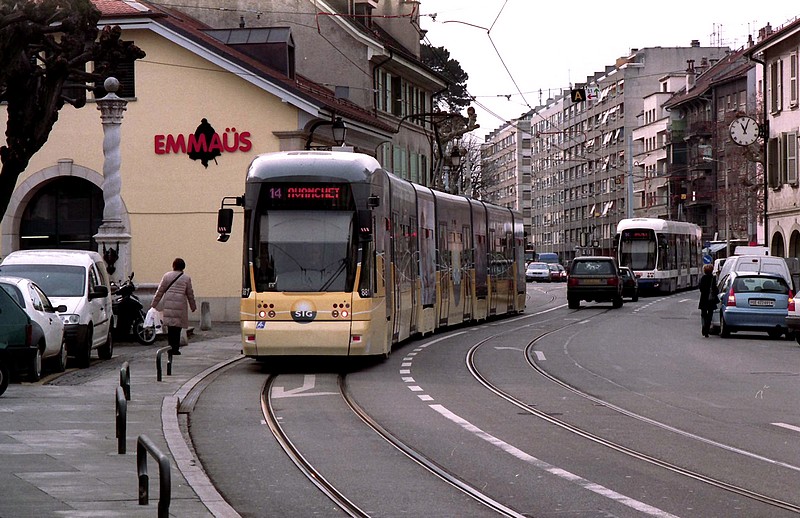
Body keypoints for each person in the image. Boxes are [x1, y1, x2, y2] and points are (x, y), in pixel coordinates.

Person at [152, 257, 197, 355]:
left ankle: (170, 347)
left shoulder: (166, 276)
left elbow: (160, 291)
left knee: (170, 328)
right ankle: (175, 348)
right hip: (180, 304)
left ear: (173, 265)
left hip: (168, 303)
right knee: (177, 327)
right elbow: (190, 293)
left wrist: (154, 304)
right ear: (183, 267)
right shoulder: (186, 278)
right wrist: (193, 306)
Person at [698, 263, 718, 337]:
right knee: (710, 315)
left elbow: (700, 288)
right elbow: (715, 289)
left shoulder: (702, 278)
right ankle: (707, 329)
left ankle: (704, 326)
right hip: (711, 299)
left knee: (703, 314)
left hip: (703, 299)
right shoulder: (713, 278)